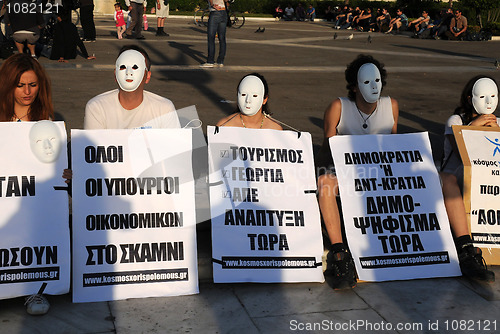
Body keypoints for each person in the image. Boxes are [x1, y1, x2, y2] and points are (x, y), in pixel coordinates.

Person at [316, 55, 399, 289]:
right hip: (345, 173)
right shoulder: (338, 107)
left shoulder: (391, 106)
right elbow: (328, 147)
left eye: (377, 80)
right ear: (354, 86)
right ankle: (339, 252)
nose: (374, 86)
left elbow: (393, 148)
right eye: (366, 82)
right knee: (325, 182)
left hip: (378, 174)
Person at [0, 53, 55, 314]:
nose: (27, 91)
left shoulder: (47, 122)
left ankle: (35, 289)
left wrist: (65, 172)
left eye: (32, 85)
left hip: (31, 201)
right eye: (20, 85)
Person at [440, 75, 497, 282]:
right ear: (469, 98)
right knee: (450, 180)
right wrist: (475, 126)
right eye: (483, 96)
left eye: (493, 96)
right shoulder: (456, 121)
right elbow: (463, 152)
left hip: (490, 178)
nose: (489, 102)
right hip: (458, 178)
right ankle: (466, 247)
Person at [84, 45, 180, 129]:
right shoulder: (97, 107)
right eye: (123, 67)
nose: (128, 72)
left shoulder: (165, 109)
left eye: (135, 67)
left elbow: (173, 147)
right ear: (115, 74)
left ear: (147, 76)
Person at [216, 73, 282, 130]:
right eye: (243, 94)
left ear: (264, 99)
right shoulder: (224, 126)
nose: (248, 100)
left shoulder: (274, 129)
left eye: (255, 95)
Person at [200, 0, 227, 68]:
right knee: (222, 38)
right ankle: (220, 61)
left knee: (211, 38)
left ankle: (210, 61)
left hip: (215, 12)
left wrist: (212, 5)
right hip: (224, 12)